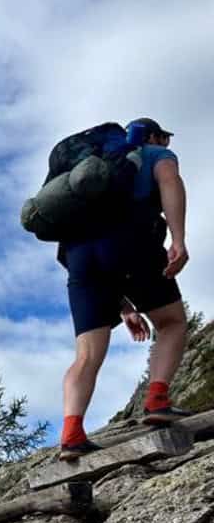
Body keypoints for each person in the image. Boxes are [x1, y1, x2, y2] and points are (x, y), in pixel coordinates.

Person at [58, 117, 189, 461]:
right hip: (131, 240)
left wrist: (125, 307)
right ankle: (158, 399)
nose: (167, 146)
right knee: (171, 322)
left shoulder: (94, 172)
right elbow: (170, 182)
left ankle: (72, 433)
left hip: (80, 255)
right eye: (165, 139)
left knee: (86, 355)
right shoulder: (152, 154)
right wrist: (178, 239)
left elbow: (95, 253)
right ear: (154, 136)